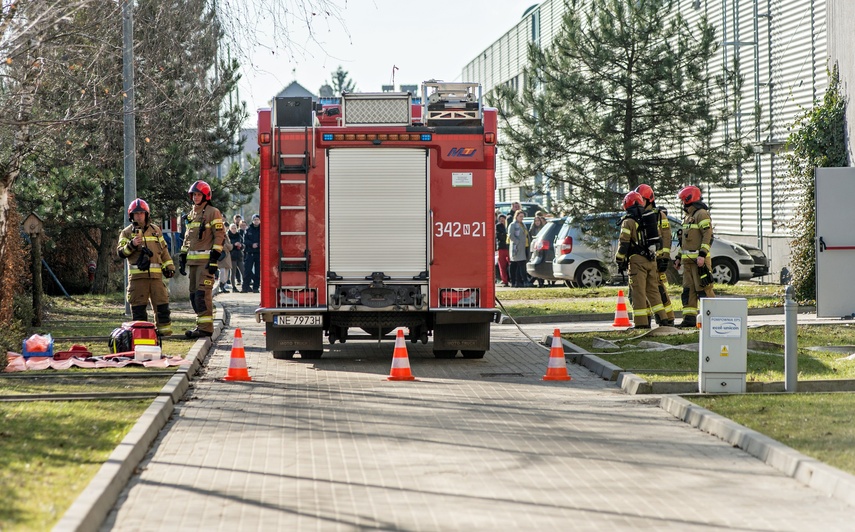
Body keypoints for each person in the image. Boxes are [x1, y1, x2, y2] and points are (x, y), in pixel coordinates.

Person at [117, 198, 175, 336]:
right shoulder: (126, 232)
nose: (139, 216)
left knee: (162, 305)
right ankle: (142, 335)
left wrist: (169, 266)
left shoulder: (156, 231)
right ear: (131, 215)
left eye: (142, 213)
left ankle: (164, 333)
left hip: (156, 278)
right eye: (136, 214)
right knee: (138, 308)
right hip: (138, 279)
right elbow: (120, 252)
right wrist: (131, 245)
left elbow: (164, 251)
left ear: (147, 214)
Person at [615, 191, 670, 329]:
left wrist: (619, 259)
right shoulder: (649, 218)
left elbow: (624, 243)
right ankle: (663, 319)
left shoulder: (628, 221)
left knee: (638, 292)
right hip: (651, 261)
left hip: (637, 262)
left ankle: (641, 323)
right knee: (653, 291)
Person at [178, 180, 226, 338]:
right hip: (193, 263)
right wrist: (183, 256)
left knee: (202, 294)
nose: (196, 197)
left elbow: (220, 236)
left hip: (206, 263)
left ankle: (205, 328)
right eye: (194, 195)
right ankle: (201, 325)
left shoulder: (213, 212)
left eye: (199, 194)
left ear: (206, 195)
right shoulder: (191, 214)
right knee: (193, 296)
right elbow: (188, 238)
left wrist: (214, 259)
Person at [674, 185, 715, 328]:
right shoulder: (688, 217)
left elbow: (708, 235)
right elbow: (685, 242)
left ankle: (711, 318)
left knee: (703, 290)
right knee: (688, 291)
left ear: (688, 199)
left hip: (699, 263)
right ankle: (689, 319)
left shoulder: (701, 214)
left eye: (682, 200)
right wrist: (679, 257)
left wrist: (702, 254)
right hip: (688, 263)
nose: (681, 203)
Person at [636, 184, 675, 325]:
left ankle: (668, 318)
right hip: (644, 260)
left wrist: (664, 257)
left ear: (650, 200)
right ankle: (646, 318)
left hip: (657, 260)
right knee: (641, 291)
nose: (640, 202)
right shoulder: (638, 215)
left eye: (642, 199)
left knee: (659, 291)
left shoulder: (659, 216)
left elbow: (666, 237)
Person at [507, 210, 530, 288]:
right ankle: (518, 281)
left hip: (524, 247)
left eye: (522, 217)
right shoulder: (513, 225)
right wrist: (517, 242)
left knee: (520, 264)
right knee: (516, 265)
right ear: (516, 216)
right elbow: (510, 236)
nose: (522, 218)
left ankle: (519, 282)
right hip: (516, 248)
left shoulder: (523, 225)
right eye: (520, 216)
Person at [242, 213, 261, 293]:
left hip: (258, 253)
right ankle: (245, 287)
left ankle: (255, 288)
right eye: (255, 220)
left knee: (258, 272)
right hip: (249, 253)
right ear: (252, 220)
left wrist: (258, 245)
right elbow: (245, 240)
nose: (256, 221)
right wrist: (251, 244)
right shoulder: (248, 229)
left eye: (257, 220)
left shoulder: (262, 229)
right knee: (247, 271)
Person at [228, 223, 245, 289]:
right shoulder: (228, 236)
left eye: (235, 228)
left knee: (243, 271)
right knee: (233, 272)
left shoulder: (239, 235)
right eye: (232, 228)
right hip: (232, 256)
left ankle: (245, 285)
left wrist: (241, 245)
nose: (234, 230)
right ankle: (233, 286)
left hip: (239, 255)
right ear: (230, 229)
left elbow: (243, 244)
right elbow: (227, 246)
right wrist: (234, 244)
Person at [495, 214, 510, 287]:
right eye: (500, 219)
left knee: (511, 264)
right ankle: (505, 280)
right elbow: (500, 236)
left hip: (509, 248)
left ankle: (511, 279)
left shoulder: (509, 226)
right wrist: (505, 235)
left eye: (503, 219)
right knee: (502, 265)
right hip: (501, 248)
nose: (502, 220)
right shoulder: (498, 226)